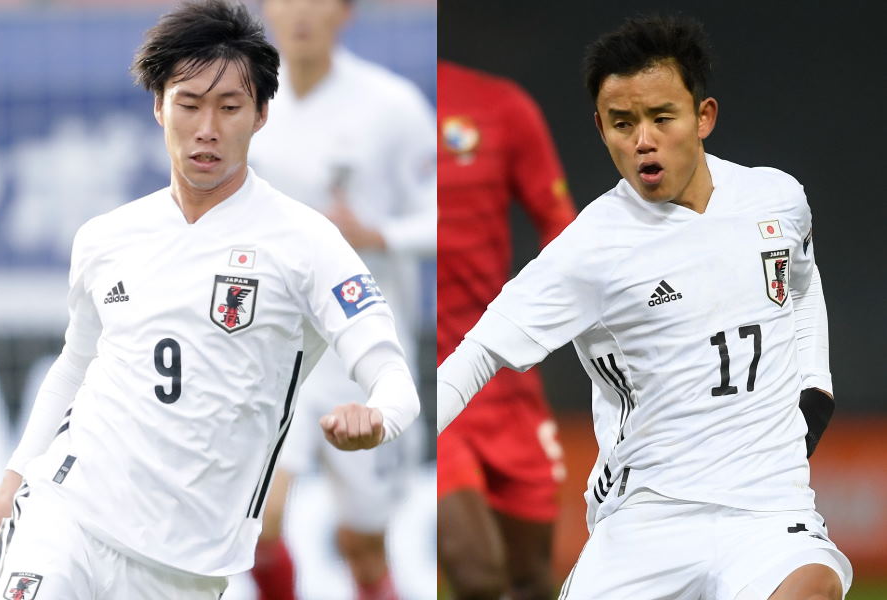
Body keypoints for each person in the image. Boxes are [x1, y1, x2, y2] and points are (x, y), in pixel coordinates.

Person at [0, 1, 420, 598]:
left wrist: (379, 417)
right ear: (158, 106)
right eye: (189, 104)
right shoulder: (106, 238)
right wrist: (12, 480)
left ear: (261, 114)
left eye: (229, 107)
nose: (207, 127)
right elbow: (74, 368)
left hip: (184, 564)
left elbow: (393, 376)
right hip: (67, 515)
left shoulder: (308, 243)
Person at [437, 15, 851, 600]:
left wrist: (816, 383)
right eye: (623, 123)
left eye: (662, 117)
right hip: (646, 514)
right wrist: (395, 426)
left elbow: (803, 285)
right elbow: (478, 354)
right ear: (601, 126)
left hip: (768, 510)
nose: (643, 141)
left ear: (703, 116)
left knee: (811, 588)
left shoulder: (776, 199)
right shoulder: (589, 248)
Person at [247, 0, 435, 598]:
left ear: (346, 11)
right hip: (272, 348)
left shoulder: (391, 107)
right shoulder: (240, 100)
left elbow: (447, 214)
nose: (301, 12)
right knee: (257, 525)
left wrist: (377, 234)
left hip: (359, 349)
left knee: (363, 546)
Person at [437, 59, 577, 600]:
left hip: (500, 376)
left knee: (532, 580)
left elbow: (560, 228)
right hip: (424, 377)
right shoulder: (372, 109)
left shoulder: (501, 106)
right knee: (477, 574)